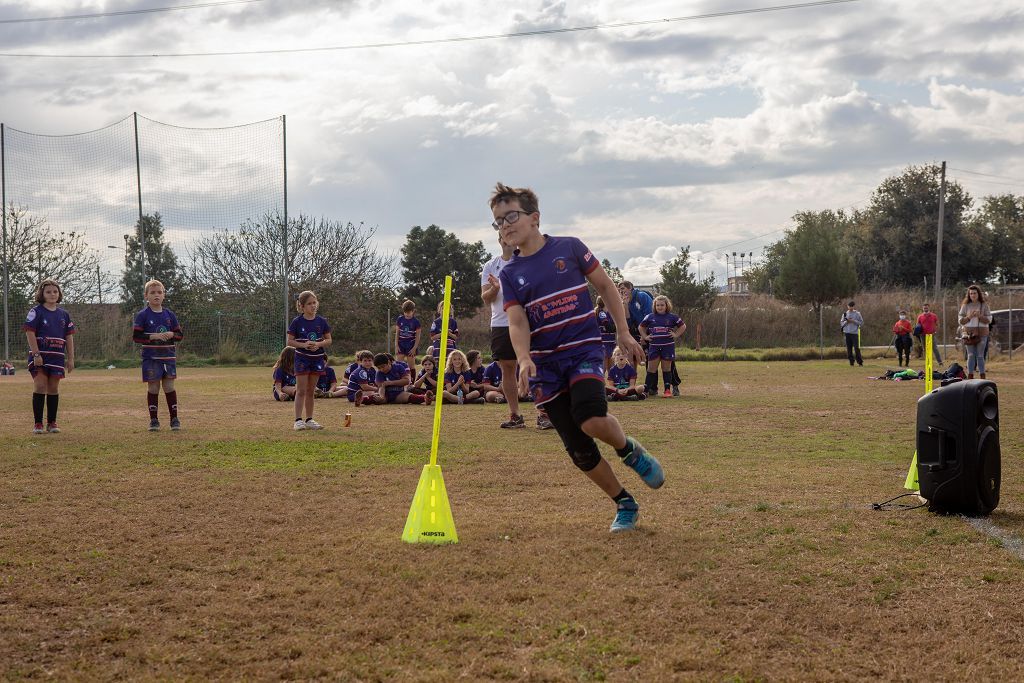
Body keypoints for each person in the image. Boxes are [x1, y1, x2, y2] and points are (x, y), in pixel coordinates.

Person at [491, 182, 664, 533]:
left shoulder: (569, 248)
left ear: (534, 218)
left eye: (511, 216)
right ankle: (624, 502)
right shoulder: (509, 273)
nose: (505, 225)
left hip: (583, 350)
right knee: (579, 448)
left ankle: (630, 450)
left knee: (590, 418)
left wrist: (623, 331)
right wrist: (524, 359)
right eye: (497, 221)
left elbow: (605, 286)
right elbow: (517, 320)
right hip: (546, 365)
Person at [481, 232, 524, 427]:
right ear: (499, 240)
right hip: (500, 324)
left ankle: (544, 413)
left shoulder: (525, 262)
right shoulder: (490, 266)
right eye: (502, 236)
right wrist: (495, 289)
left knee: (534, 366)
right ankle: (515, 415)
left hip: (525, 322)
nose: (506, 239)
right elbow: (486, 298)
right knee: (508, 368)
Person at [23, 278, 75, 434]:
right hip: (40, 356)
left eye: (55, 291)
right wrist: (36, 354)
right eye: (48, 292)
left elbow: (69, 337)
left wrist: (71, 358)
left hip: (57, 357)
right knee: (40, 386)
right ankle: (38, 423)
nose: (52, 294)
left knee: (53, 388)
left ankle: (52, 423)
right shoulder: (36, 312)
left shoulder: (64, 315)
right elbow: (29, 332)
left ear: (59, 293)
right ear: (42, 294)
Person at [133, 279, 184, 431]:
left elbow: (180, 335)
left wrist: (171, 334)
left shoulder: (170, 314)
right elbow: (136, 337)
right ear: (146, 296)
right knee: (153, 387)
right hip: (151, 359)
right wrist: (153, 336)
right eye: (153, 292)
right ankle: (154, 421)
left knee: (169, 386)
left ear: (164, 295)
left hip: (168, 358)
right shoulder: (142, 315)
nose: (156, 295)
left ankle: (174, 419)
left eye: (159, 292)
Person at [618, 280, 682, 393]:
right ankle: (652, 388)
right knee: (651, 360)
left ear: (630, 288)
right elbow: (629, 322)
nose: (621, 291)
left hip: (655, 333)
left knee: (667, 362)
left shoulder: (641, 296)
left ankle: (674, 385)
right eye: (620, 290)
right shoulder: (626, 302)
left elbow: (650, 316)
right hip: (644, 334)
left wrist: (646, 335)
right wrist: (626, 306)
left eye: (623, 288)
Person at [287, 290, 332, 430]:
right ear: (301, 306)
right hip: (302, 359)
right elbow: (290, 341)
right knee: (300, 390)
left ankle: (309, 419)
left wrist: (318, 344)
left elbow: (329, 340)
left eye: (314, 303)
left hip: (317, 359)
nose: (313, 306)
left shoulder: (322, 321)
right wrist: (304, 345)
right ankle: (298, 420)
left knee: (311, 391)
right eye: (309, 304)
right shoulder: (297, 321)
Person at [638, 295, 686, 397]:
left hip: (668, 346)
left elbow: (683, 326)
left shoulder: (673, 317)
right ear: (654, 306)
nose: (660, 307)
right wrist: (645, 336)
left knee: (666, 369)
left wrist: (676, 334)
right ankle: (646, 391)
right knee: (651, 369)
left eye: (662, 305)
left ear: (666, 305)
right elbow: (641, 327)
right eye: (658, 305)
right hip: (654, 346)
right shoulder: (650, 317)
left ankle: (667, 390)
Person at [959, 284, 992, 379]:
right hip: (968, 333)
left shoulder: (984, 305)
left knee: (980, 355)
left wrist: (980, 316)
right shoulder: (965, 305)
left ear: (978, 294)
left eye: (974, 293)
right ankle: (970, 375)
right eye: (971, 293)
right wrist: (969, 317)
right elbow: (960, 320)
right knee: (970, 355)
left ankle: (982, 376)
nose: (973, 295)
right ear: (968, 295)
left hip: (982, 333)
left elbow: (989, 319)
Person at [394, 300, 422, 378]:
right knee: (398, 365)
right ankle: (399, 381)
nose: (407, 314)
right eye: (405, 312)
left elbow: (418, 336)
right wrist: (396, 345)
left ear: (413, 311)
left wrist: (414, 348)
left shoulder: (416, 322)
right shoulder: (400, 319)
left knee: (411, 366)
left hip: (411, 345)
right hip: (401, 344)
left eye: (409, 312)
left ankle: (412, 383)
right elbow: (397, 333)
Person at [595, 296, 617, 376]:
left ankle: (611, 385)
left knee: (611, 366)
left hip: (611, 341)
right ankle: (600, 386)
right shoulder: (601, 313)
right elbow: (609, 328)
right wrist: (616, 326)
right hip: (604, 342)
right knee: (603, 366)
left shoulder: (609, 312)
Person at [840, 301, 864, 367]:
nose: (850, 307)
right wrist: (847, 322)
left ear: (854, 306)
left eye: (852, 306)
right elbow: (841, 324)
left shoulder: (857, 313)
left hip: (854, 333)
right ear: (847, 306)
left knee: (856, 348)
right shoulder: (844, 314)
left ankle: (860, 362)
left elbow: (861, 323)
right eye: (849, 306)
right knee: (849, 348)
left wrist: (853, 321)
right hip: (847, 333)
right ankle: (851, 362)